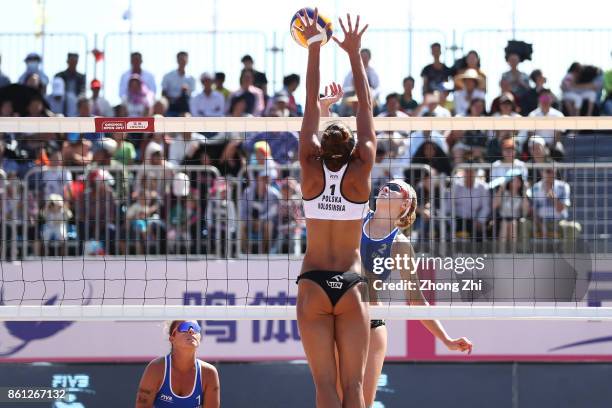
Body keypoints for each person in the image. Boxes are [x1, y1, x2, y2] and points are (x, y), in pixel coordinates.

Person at [296, 10, 375, 408]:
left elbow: (310, 102)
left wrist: (314, 47)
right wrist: (354, 54)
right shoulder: (360, 175)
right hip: (350, 283)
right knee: (355, 389)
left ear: (322, 146)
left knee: (324, 388)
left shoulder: (310, 170)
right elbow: (366, 108)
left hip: (313, 283)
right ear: (353, 147)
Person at [360, 179, 473, 406]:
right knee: (334, 398)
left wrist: (447, 340)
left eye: (395, 188)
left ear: (405, 204)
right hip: (341, 316)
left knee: (361, 403)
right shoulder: (357, 214)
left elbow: (416, 300)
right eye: (385, 184)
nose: (386, 187)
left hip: (371, 321)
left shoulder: (400, 245)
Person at [136, 320, 220, 407]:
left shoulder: (209, 373)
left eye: (195, 328)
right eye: (184, 327)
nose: (191, 331)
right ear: (172, 338)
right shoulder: (156, 369)